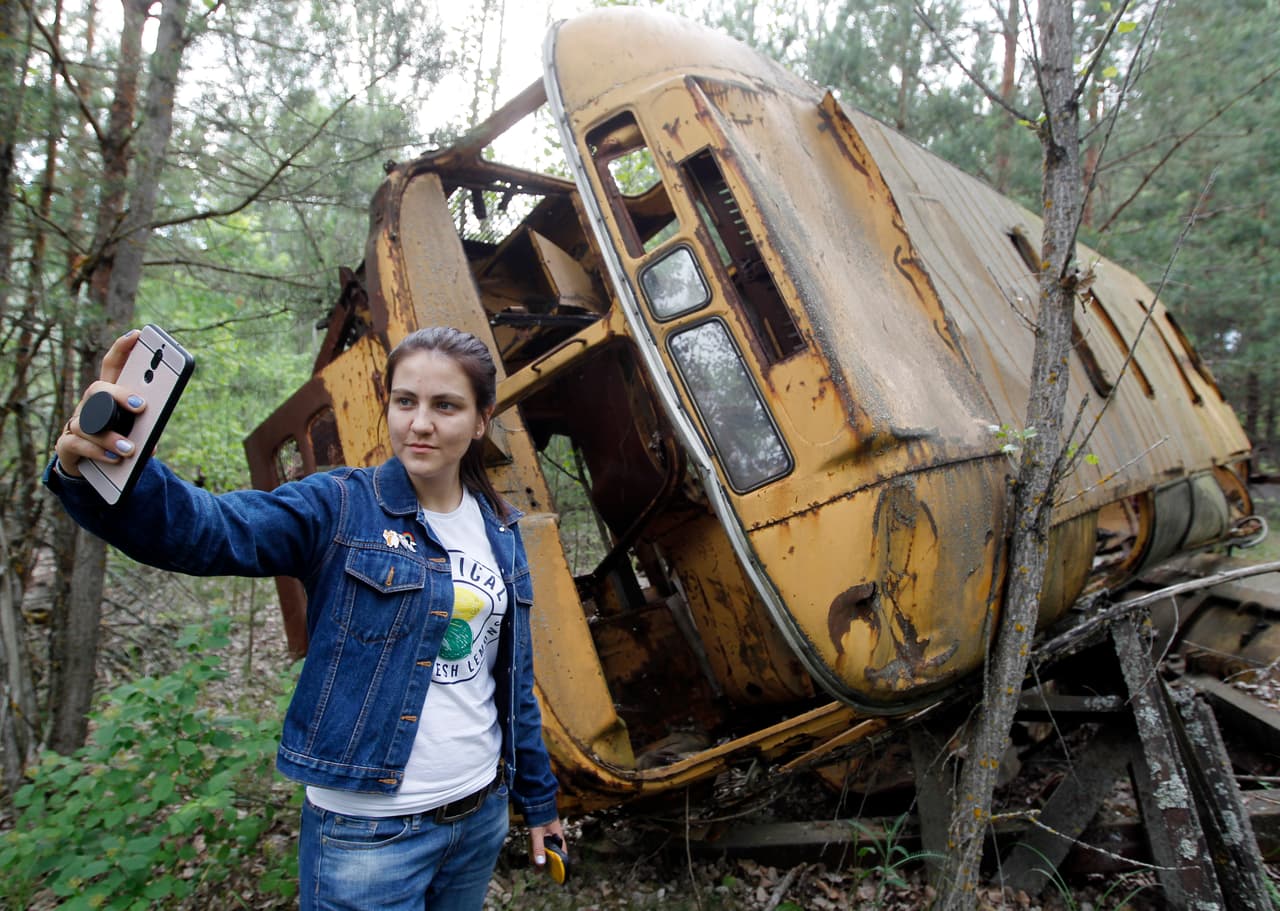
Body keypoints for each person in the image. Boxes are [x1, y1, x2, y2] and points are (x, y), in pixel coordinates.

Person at [45, 325, 566, 910]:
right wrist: (97, 468)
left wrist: (537, 801)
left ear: (480, 419)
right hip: (368, 836)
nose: (420, 423)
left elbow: (512, 681)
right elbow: (207, 530)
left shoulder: (500, 528)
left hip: (479, 816)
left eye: (445, 406)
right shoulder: (339, 506)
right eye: (405, 402)